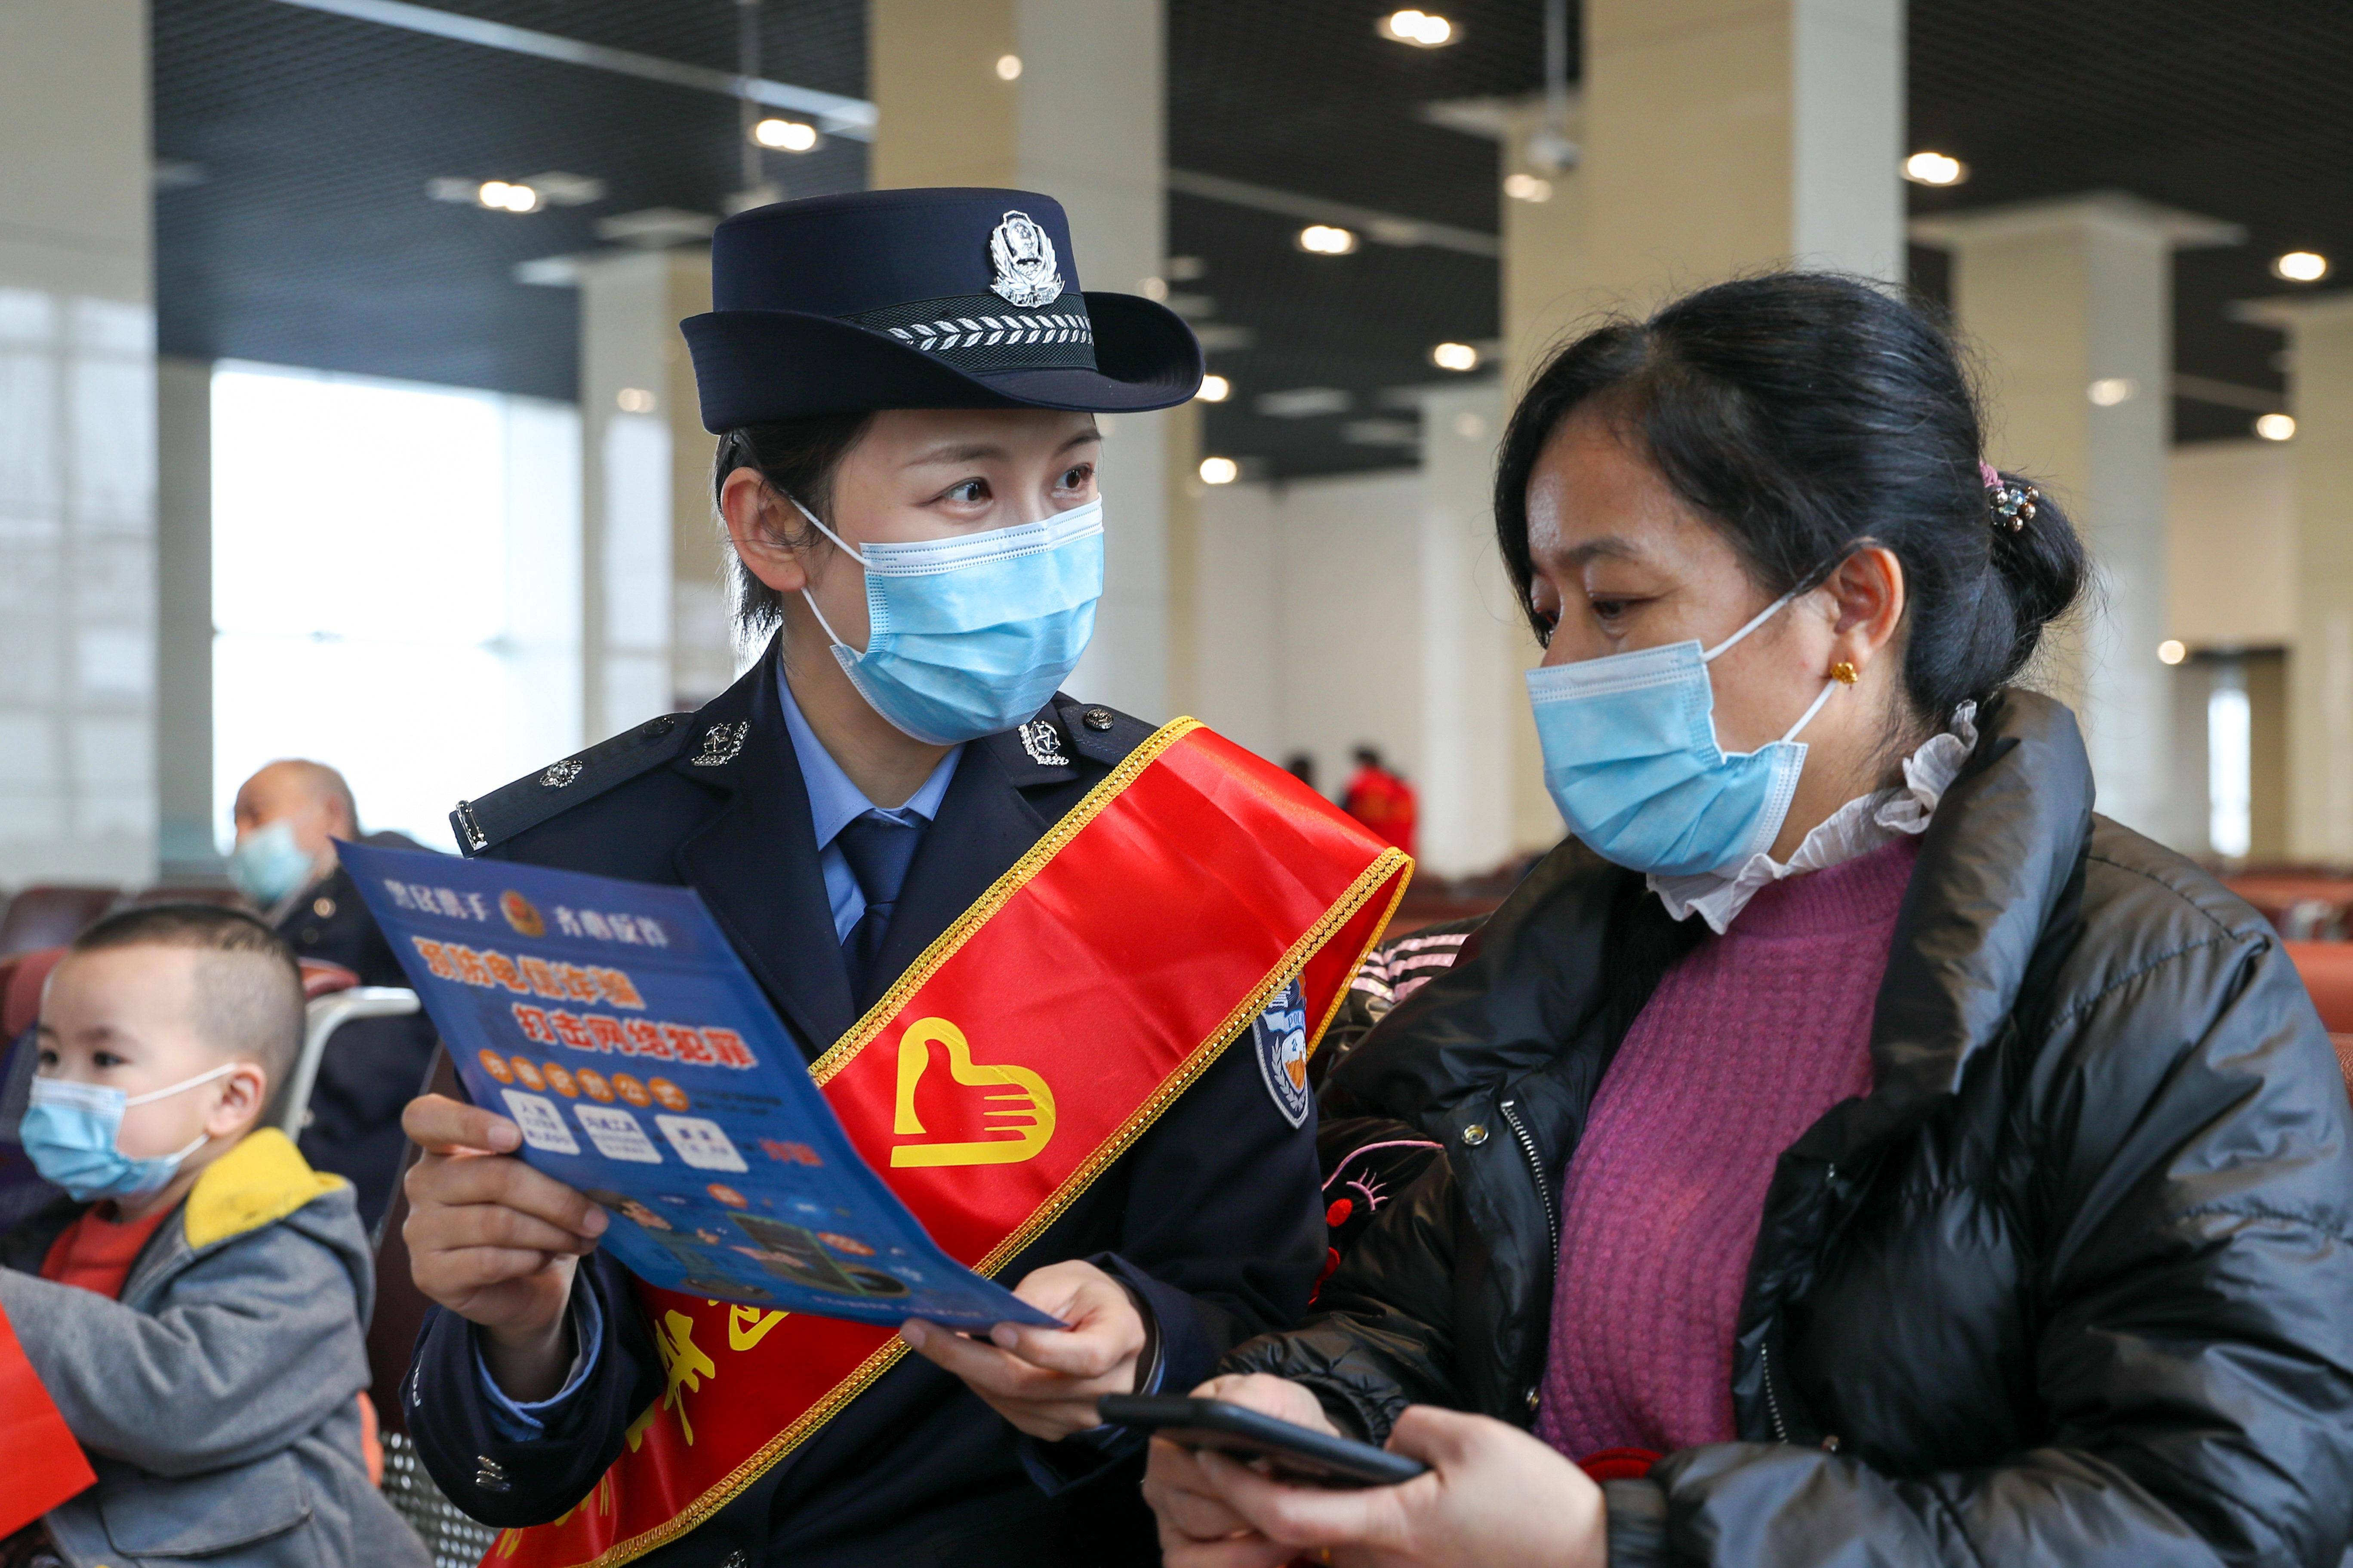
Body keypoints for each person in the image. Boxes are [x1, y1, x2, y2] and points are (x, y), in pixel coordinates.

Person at [1143, 274, 2353, 1567]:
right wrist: (1301, 1408)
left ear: (1851, 608)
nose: (1557, 672)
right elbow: (1421, 1314)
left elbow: (2217, 1514)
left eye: (1615, 606)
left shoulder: (2156, 989)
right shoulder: (1576, 946)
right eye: (1545, 613)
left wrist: (1615, 1545)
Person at [397, 189, 1378, 1568]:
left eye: (1074, 480)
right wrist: (517, 1324)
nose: (1040, 539)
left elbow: (1264, 1305)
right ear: (773, 529)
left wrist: (1140, 1339)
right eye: (969, 488)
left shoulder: (1176, 846)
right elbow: (510, 1465)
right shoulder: (571, 865)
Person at [0, 904, 425, 1568]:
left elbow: (181, 1406)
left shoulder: (289, 1241)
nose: (57, 1086)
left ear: (229, 1099)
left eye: (104, 1057)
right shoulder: (54, 1235)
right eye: (51, 1054)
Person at [229, 758, 441, 1228]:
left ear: (330, 813)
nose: (241, 838)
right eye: (235, 822)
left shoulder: (388, 869)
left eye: (256, 816)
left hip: (352, 1134)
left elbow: (440, 1016)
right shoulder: (268, 915)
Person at [1341, 746, 1416, 859]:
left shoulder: (1360, 787)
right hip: (1402, 856)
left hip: (1369, 855)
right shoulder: (1403, 788)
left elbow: (1342, 819)